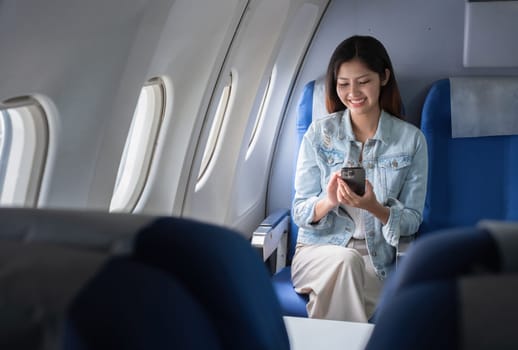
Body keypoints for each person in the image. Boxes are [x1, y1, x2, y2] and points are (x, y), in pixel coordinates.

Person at [291, 35, 428, 322]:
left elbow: (413, 219)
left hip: (376, 259)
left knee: (346, 281)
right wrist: (328, 201)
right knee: (345, 261)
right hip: (318, 252)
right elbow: (300, 212)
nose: (352, 92)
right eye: (343, 84)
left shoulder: (411, 140)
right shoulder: (319, 134)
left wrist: (374, 207)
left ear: (383, 77)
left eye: (363, 81)